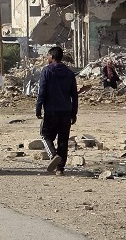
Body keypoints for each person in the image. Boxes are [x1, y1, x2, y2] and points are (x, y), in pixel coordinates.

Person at [36, 46, 79, 176]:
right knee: (63, 140)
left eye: (48, 55)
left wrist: (38, 107)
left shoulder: (47, 71)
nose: (47, 58)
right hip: (66, 111)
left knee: (45, 135)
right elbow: (74, 95)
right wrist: (74, 113)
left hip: (51, 111)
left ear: (52, 57)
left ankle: (53, 155)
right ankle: (60, 169)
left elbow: (42, 91)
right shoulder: (69, 73)